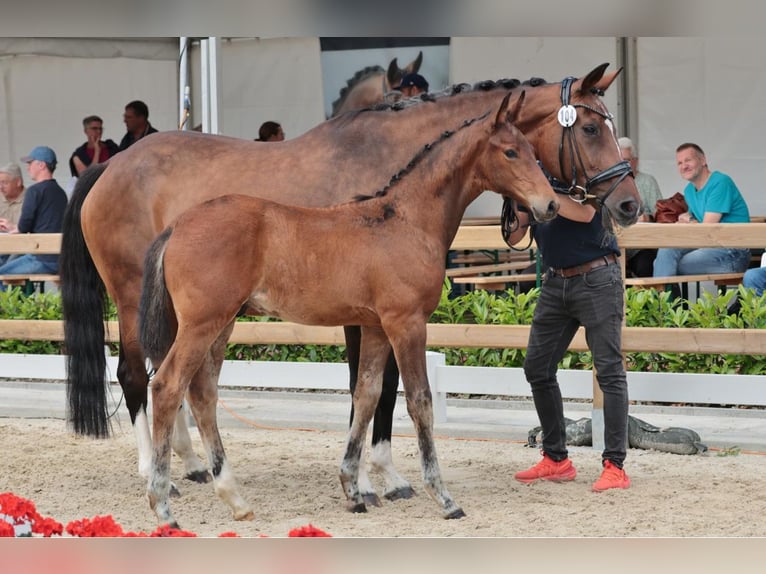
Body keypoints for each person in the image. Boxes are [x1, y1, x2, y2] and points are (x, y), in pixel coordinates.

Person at [505, 193, 631, 492]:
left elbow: (586, 213)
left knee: (609, 371)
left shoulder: (578, 171)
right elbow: (515, 234)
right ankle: (556, 458)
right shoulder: (533, 180)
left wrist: (540, 189)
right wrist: (513, 197)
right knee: (537, 368)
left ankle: (615, 466)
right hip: (555, 281)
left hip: (597, 276)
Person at [653, 143, 751, 298]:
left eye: (688, 160)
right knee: (666, 253)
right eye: (679, 163)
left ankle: (665, 312)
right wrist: (686, 219)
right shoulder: (689, 190)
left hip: (732, 253)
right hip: (709, 246)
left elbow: (707, 229)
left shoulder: (720, 182)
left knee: (666, 264)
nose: (684, 166)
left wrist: (691, 224)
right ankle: (669, 311)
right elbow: (694, 222)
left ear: (703, 160)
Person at [0, 146, 68, 282]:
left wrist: (15, 229)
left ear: (41, 165)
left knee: (2, 274)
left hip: (41, 258)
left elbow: (25, 226)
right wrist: (16, 227)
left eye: (31, 163)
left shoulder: (34, 191)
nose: (28, 167)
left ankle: (9, 304)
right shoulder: (61, 193)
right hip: (61, 259)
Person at [618, 137, 663, 277]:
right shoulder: (610, 184)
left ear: (635, 161)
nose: (621, 165)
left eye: (626, 160)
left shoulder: (647, 181)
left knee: (645, 267)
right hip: (617, 246)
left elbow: (661, 214)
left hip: (642, 246)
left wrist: (646, 217)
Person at [0, 163, 27, 265]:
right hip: (2, 246)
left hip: (21, 247)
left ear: (18, 182)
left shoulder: (31, 198)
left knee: (8, 266)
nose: (0, 187)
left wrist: (13, 227)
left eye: (4, 183)